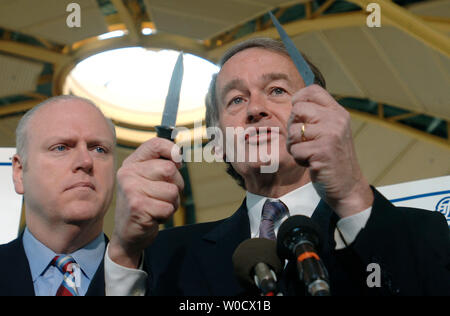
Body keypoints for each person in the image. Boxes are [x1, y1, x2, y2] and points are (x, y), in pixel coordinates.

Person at [105, 38, 450, 296]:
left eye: (277, 90)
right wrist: (122, 249)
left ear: (319, 116)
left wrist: (351, 194)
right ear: (217, 142)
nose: (256, 109)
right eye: (236, 100)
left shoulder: (422, 232)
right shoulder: (166, 256)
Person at [0, 95, 116, 296]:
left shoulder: (157, 277)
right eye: (61, 147)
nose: (86, 161)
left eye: (99, 149)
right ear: (19, 173)